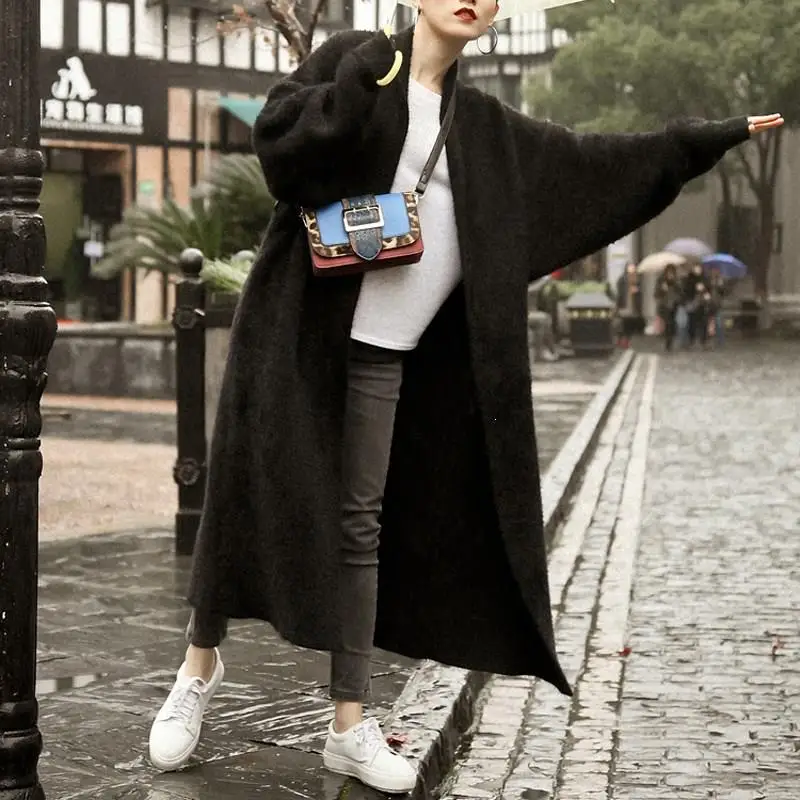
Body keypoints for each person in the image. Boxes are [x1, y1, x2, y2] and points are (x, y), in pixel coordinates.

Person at [146, 0, 783, 792]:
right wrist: (357, 78)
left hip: (389, 357)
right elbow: (281, 146)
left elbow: (594, 165)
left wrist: (699, 141)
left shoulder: (483, 125)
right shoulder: (358, 57)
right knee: (244, 492)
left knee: (359, 529)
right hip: (297, 337)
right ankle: (196, 671)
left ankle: (348, 725)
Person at [683, 262, 713, 347]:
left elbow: (708, 289)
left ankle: (703, 340)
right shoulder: (689, 278)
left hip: (702, 303)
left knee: (703, 322)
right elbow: (686, 291)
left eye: (699, 268)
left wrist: (704, 290)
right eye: (696, 268)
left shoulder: (704, 278)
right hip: (692, 303)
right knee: (692, 322)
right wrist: (695, 288)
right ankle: (691, 340)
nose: (697, 270)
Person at [654, 263, 682, 351]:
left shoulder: (676, 281)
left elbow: (681, 292)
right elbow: (656, 294)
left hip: (674, 305)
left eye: (672, 272)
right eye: (668, 272)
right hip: (665, 305)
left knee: (672, 324)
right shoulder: (661, 280)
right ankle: (668, 342)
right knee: (668, 323)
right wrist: (662, 289)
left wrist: (677, 295)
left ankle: (670, 340)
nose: (670, 274)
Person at [615, 262, 642, 347]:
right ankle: (620, 339)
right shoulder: (622, 279)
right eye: (630, 268)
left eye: (633, 268)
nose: (631, 270)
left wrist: (636, 290)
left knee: (630, 324)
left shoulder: (636, 279)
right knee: (623, 324)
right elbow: (619, 291)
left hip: (633, 305)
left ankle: (627, 341)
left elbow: (639, 293)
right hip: (624, 304)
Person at [708, 267, 727, 345]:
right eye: (713, 271)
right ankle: (711, 340)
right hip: (709, 305)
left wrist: (720, 285)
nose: (714, 273)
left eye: (716, 271)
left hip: (718, 305)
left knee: (719, 323)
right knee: (711, 324)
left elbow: (723, 293)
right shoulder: (708, 282)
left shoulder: (720, 281)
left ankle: (720, 340)